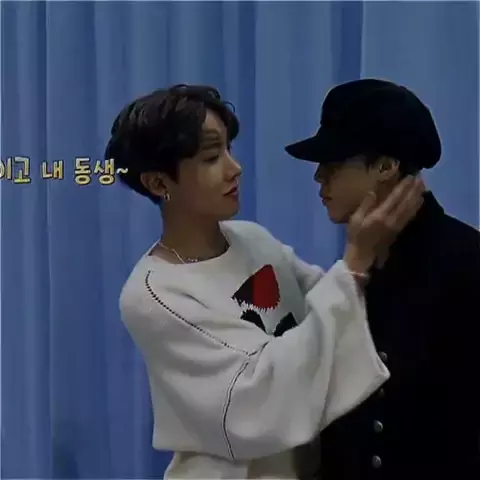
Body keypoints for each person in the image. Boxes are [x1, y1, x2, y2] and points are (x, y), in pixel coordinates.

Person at [106, 84, 424, 479]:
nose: (234, 168)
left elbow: (336, 315)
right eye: (211, 157)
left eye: (229, 149)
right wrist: (355, 259)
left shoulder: (252, 239)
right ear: (158, 183)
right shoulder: (154, 294)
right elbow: (257, 394)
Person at [285, 78, 480, 480]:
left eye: (333, 164)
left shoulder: (466, 263)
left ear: (386, 167)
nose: (319, 177)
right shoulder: (356, 266)